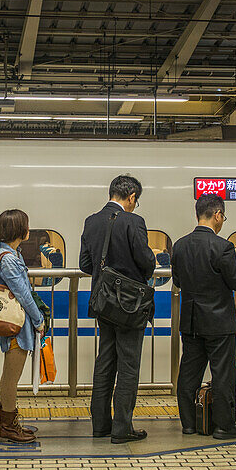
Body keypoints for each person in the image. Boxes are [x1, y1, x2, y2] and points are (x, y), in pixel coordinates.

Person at [80, 174, 156, 444]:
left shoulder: (91, 221)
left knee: (105, 362)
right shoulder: (134, 221)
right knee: (128, 364)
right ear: (132, 196)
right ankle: (122, 427)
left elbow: (84, 264)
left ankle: (100, 424)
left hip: (103, 303)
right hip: (130, 305)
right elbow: (146, 262)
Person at [171, 194, 236, 440]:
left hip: (191, 320)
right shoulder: (223, 246)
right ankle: (224, 426)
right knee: (222, 374)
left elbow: (177, 280)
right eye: (223, 217)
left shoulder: (180, 245)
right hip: (219, 322)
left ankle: (188, 423)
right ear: (217, 215)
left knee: (188, 373)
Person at [0, 209, 47, 444]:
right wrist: (39, 320)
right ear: (18, 230)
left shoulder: (11, 253)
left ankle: (9, 422)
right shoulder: (10, 259)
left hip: (16, 324)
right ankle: (7, 425)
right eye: (26, 225)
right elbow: (24, 295)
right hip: (15, 326)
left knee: (10, 376)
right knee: (11, 377)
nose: (28, 229)